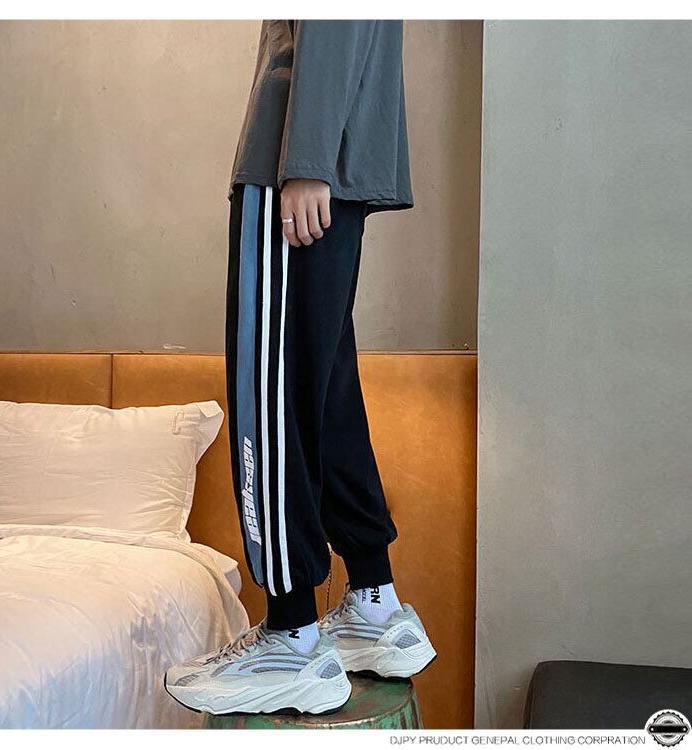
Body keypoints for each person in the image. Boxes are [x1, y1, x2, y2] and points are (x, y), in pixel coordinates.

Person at [165, 20, 435, 716]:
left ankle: (292, 634)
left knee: (271, 398)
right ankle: (374, 603)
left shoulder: (301, 160)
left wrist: (306, 159)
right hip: (331, 151)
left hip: (297, 155)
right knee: (325, 393)